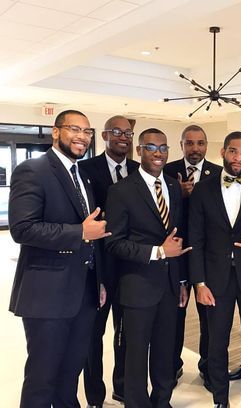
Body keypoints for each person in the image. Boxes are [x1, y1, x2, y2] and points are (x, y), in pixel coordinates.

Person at [8, 109, 109, 407]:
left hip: (84, 292)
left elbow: (94, 235)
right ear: (55, 131)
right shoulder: (33, 170)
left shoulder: (83, 176)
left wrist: (99, 280)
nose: (81, 137)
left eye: (87, 132)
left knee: (70, 372)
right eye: (74, 129)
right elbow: (22, 228)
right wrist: (79, 232)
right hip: (47, 293)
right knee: (42, 376)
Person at [104, 128, 190, 408]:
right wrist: (158, 251)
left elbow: (179, 237)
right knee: (135, 355)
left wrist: (181, 283)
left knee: (166, 353)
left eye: (163, 148)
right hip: (137, 287)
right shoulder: (121, 191)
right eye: (151, 147)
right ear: (139, 150)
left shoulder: (175, 187)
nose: (158, 153)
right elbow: (113, 244)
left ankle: (162, 401)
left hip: (169, 285)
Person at [189, 131, 241, 408]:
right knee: (216, 342)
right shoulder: (203, 189)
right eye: (234, 151)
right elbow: (196, 240)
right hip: (215, 280)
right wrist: (199, 283)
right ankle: (220, 400)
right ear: (223, 152)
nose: (238, 158)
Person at [79, 115, 139, 406]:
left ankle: (123, 387)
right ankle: (94, 395)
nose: (123, 137)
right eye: (117, 131)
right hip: (97, 266)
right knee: (94, 334)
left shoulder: (141, 171)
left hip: (131, 268)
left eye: (128, 132)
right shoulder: (85, 170)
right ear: (104, 135)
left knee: (126, 333)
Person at [163, 124, 222, 390]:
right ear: (182, 145)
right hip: (173, 255)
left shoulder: (219, 174)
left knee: (209, 319)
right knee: (173, 318)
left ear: (207, 145)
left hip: (206, 257)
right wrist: (179, 194)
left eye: (200, 143)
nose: (195, 148)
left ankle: (208, 368)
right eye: (190, 143)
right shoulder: (165, 171)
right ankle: (172, 366)